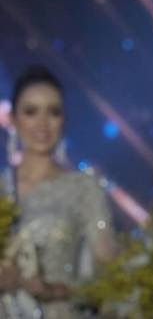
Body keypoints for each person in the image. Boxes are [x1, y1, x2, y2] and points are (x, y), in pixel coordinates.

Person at [0, 65, 115, 318]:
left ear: (64, 120)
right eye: (31, 112)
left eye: (53, 112)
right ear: (14, 119)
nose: (42, 124)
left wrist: (53, 291)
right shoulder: (2, 188)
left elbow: (111, 282)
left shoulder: (84, 189)